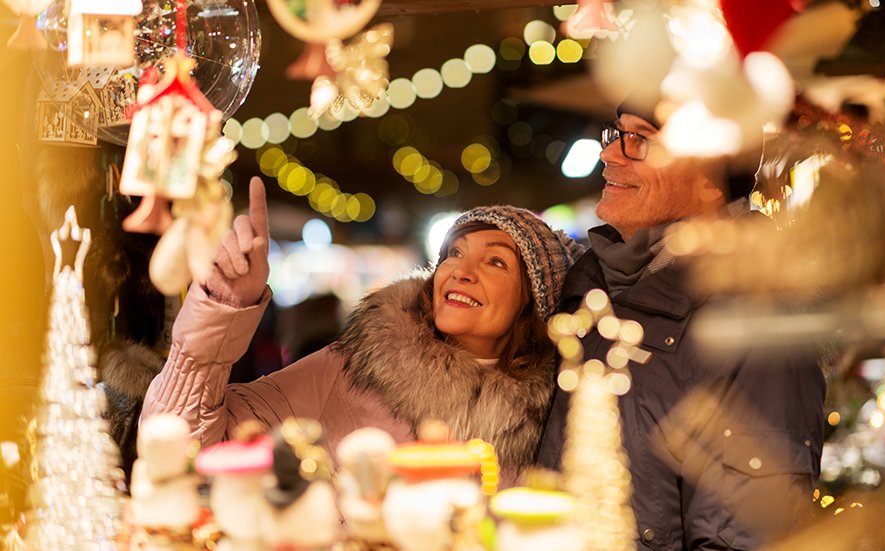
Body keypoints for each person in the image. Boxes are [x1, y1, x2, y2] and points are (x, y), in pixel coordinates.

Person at [141, 177, 582, 482]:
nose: (460, 271)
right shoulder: (354, 368)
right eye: (454, 252)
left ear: (534, 302)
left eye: (495, 262)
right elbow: (181, 445)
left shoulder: (551, 420)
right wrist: (222, 308)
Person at [536, 106, 826, 550]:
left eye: (641, 139)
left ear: (710, 176)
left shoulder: (756, 318)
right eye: (617, 133)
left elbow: (746, 538)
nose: (610, 154)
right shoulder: (587, 287)